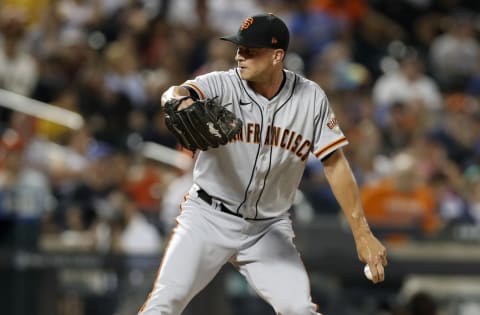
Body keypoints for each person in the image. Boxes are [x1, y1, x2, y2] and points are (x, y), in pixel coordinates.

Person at [138, 13, 387, 315]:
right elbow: (176, 92)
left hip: (267, 228)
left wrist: (362, 234)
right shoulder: (222, 84)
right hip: (207, 217)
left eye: (251, 51)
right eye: (240, 49)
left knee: (298, 309)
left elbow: (335, 163)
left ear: (277, 56)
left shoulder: (309, 98)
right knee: (164, 304)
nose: (240, 56)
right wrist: (176, 99)